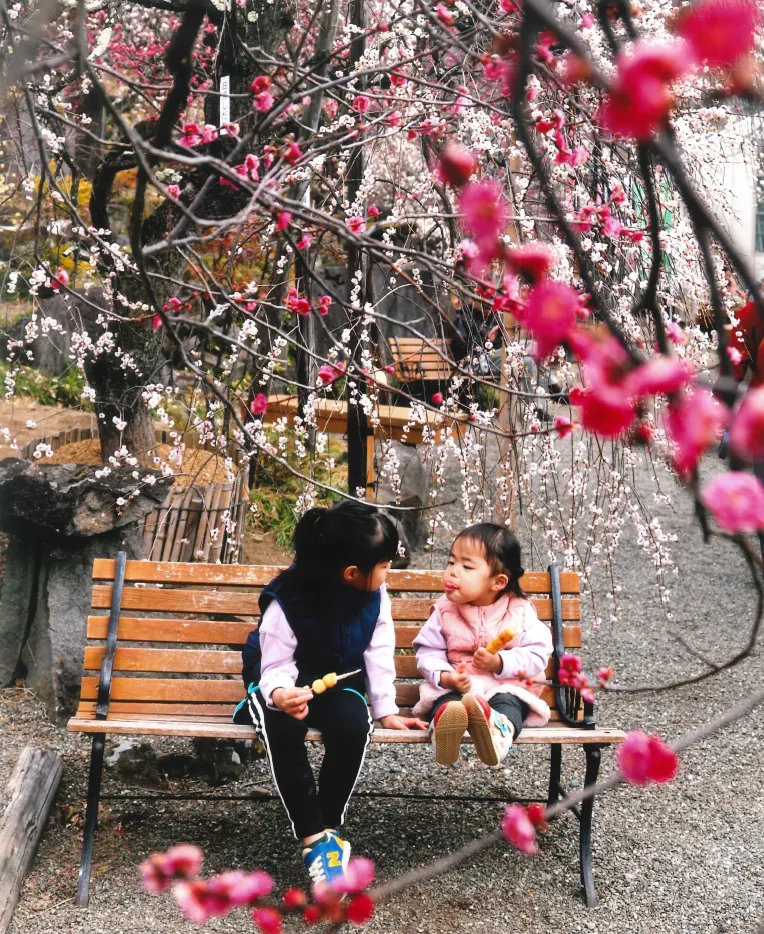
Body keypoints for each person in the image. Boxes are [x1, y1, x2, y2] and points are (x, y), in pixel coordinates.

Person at [235, 500, 426, 887]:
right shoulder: (288, 601)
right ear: (352, 572)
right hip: (281, 680)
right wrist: (280, 694)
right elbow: (274, 664)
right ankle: (313, 839)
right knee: (283, 727)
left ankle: (329, 830)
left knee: (353, 726)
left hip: (339, 679)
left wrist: (385, 707)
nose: (389, 573)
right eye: (386, 565)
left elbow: (377, 648)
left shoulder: (374, 595)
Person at [412, 523, 553, 767]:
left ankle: (497, 734)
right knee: (447, 702)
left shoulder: (519, 611)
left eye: (466, 566)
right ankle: (444, 730)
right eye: (451, 562)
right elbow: (428, 652)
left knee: (509, 704)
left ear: (498, 582)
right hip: (459, 684)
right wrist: (446, 677)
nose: (453, 572)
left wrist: (501, 662)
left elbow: (538, 653)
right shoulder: (444, 610)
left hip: (505, 685)